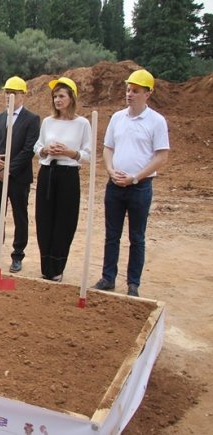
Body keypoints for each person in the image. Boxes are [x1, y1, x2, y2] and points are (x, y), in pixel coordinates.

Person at [93, 69, 169, 297]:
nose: (129, 94)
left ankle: (133, 283)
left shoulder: (156, 121)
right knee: (112, 235)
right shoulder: (117, 118)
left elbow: (161, 156)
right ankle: (108, 277)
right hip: (115, 185)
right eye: (128, 90)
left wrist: (136, 177)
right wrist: (110, 170)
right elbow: (108, 148)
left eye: (135, 91)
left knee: (137, 237)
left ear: (147, 93)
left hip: (140, 187)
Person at [33, 77, 91, 282]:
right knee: (44, 219)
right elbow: (37, 147)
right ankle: (45, 266)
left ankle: (57, 267)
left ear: (71, 98)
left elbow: (88, 154)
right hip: (48, 172)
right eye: (55, 96)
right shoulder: (47, 122)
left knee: (64, 221)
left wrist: (70, 152)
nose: (57, 100)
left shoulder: (82, 123)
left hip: (68, 175)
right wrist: (45, 150)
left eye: (61, 96)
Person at [0, 76, 40, 271]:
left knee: (19, 216)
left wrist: (8, 169)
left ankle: (17, 255)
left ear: (23, 95)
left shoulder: (32, 119)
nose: (9, 96)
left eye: (13, 93)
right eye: (7, 93)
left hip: (18, 177)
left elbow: (28, 150)